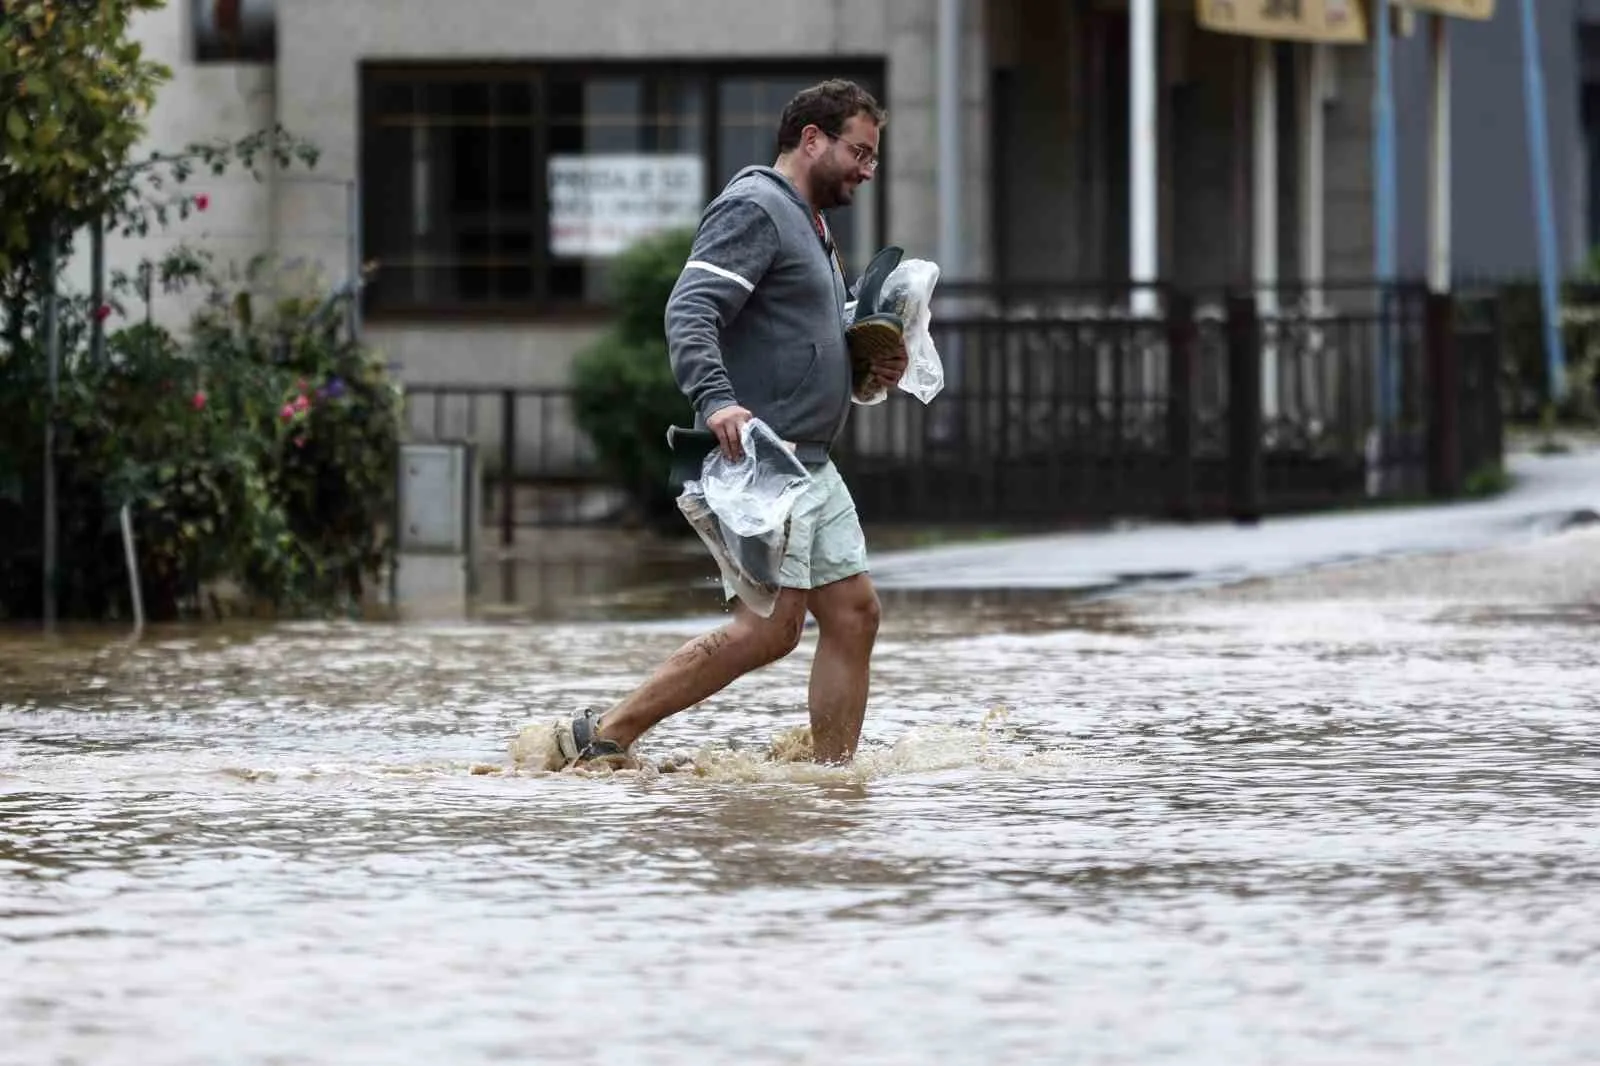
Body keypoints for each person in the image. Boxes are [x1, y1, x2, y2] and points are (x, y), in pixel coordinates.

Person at [553, 78, 908, 769]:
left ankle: (829, 782)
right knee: (769, 631)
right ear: (812, 139)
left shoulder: (809, 221)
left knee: (855, 614)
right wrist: (716, 400)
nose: (867, 171)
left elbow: (797, 339)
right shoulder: (754, 208)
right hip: (762, 462)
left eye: (874, 158)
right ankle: (605, 734)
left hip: (812, 462)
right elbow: (689, 311)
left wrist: (863, 369)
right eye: (859, 153)